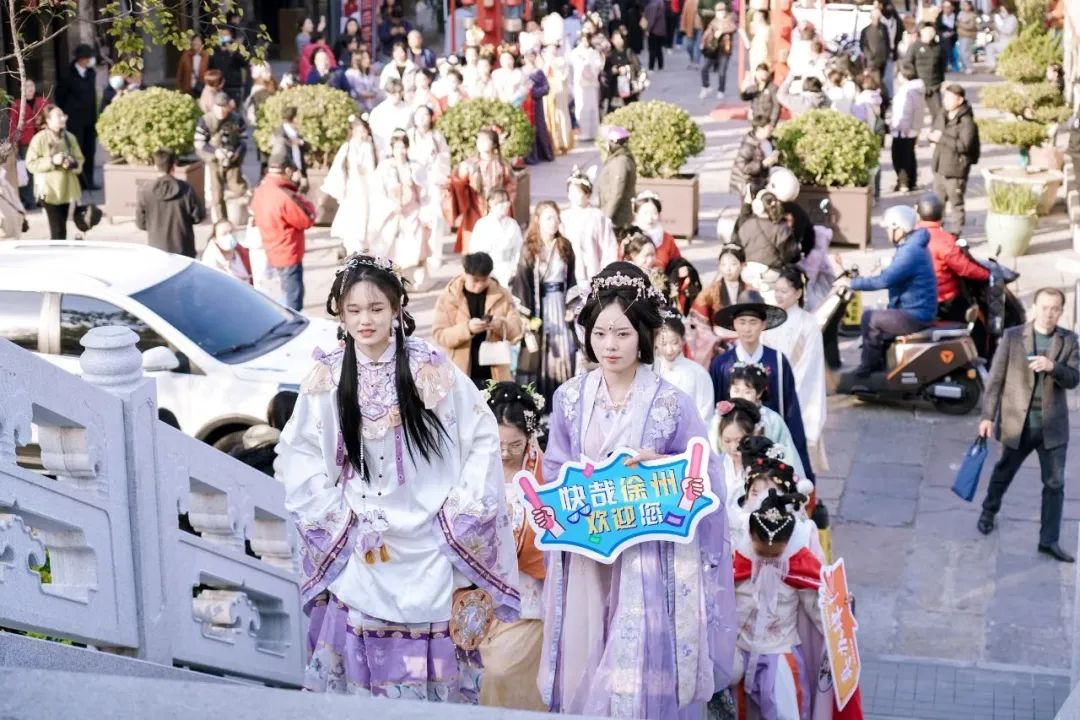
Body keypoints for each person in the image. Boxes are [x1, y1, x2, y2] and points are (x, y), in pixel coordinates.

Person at [275, 254, 520, 700]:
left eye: (376, 308)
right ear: (340, 313)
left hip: (431, 539)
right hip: (362, 543)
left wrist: (460, 516)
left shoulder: (430, 367)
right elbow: (299, 454)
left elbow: (482, 434)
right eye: (353, 310)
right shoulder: (328, 376)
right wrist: (338, 519)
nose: (365, 320)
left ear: (396, 308)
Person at [534, 261, 735, 716]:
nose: (610, 345)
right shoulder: (569, 398)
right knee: (586, 652)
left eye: (622, 334)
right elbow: (554, 467)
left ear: (643, 335)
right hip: (586, 547)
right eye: (601, 333)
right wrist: (577, 482)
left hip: (647, 554)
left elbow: (705, 476)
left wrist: (661, 468)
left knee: (637, 664)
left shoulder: (670, 402)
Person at [977, 288, 1080, 563]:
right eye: (1044, 307)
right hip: (1018, 423)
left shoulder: (1069, 340)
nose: (1049, 313)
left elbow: (1074, 379)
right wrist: (987, 416)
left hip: (1052, 427)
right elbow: (995, 380)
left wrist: (1052, 367)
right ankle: (988, 511)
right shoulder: (1013, 337)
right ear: (1035, 307)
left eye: (1055, 309)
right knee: (1003, 472)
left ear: (1061, 311)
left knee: (1055, 484)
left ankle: (1049, 540)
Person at [477, 382, 547, 711]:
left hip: (525, 594)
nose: (505, 453)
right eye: (498, 443)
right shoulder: (476, 466)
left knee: (505, 673)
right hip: (473, 591)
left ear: (530, 437)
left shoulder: (544, 474)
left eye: (515, 444)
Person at [730, 491, 826, 719]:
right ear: (749, 535)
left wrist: (836, 613)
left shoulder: (799, 566)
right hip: (738, 652)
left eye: (776, 553)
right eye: (761, 551)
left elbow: (816, 608)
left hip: (780, 652)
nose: (767, 559)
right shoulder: (736, 561)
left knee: (783, 713)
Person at [709, 290, 813, 483]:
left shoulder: (778, 361)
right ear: (734, 324)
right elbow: (715, 408)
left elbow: (790, 409)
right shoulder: (721, 364)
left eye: (753, 322)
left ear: (764, 324)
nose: (747, 329)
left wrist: (801, 469)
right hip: (731, 448)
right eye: (742, 322)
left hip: (771, 436)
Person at [839, 205, 936, 377]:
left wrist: (852, 283)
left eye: (889, 228)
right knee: (877, 313)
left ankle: (869, 369)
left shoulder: (910, 251)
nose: (887, 232)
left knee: (870, 318)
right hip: (914, 309)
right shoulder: (912, 245)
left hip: (915, 314)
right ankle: (882, 362)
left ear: (899, 228)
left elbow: (884, 281)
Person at [510, 201, 577, 406]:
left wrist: (571, 305)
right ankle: (538, 404)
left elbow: (572, 279)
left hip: (559, 302)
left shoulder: (564, 245)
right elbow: (522, 282)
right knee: (537, 353)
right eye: (549, 218)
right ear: (538, 220)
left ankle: (562, 401)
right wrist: (526, 316)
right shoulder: (529, 248)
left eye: (556, 218)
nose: (553, 222)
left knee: (564, 350)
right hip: (538, 305)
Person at [763, 266, 829, 471]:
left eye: (784, 291)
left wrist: (788, 388)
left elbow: (810, 365)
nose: (779, 295)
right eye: (777, 290)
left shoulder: (808, 323)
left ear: (798, 293)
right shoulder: (770, 319)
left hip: (797, 392)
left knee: (798, 448)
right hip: (768, 389)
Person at [433, 252, 524, 386]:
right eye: (475, 280)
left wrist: (499, 325)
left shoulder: (501, 294)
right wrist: (467, 329)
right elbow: (439, 335)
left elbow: (516, 331)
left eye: (484, 280)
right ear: (465, 273)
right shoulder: (449, 297)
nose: (480, 285)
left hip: (496, 375)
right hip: (461, 375)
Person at [249, 149, 315, 311]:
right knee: (293, 298)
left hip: (271, 246)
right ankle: (292, 324)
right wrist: (300, 194)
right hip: (288, 251)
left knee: (285, 292)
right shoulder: (285, 195)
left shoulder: (260, 190)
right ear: (287, 170)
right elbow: (307, 219)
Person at [725, 362, 808, 489]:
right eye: (736, 390)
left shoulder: (772, 420)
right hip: (729, 476)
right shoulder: (721, 418)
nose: (740, 396)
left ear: (759, 393)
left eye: (747, 392)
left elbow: (786, 452)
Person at [916, 191, 989, 323]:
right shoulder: (944, 240)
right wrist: (987, 274)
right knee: (979, 322)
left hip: (917, 300)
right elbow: (965, 268)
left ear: (918, 214)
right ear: (941, 216)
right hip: (944, 300)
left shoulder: (910, 236)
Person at [371, 130, 430, 287]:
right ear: (392, 149)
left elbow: (424, 191)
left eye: (403, 147)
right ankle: (390, 279)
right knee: (391, 247)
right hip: (392, 212)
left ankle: (410, 280)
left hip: (412, 211)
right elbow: (377, 191)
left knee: (413, 245)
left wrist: (424, 212)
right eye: (397, 148)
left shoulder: (415, 167)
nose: (400, 151)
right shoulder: (385, 167)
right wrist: (391, 206)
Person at [451, 128, 517, 253]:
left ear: (494, 144)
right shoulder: (469, 164)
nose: (480, 143)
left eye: (485, 140)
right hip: (476, 207)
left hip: (496, 207)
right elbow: (459, 184)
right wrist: (461, 175)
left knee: (498, 243)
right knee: (474, 242)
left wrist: (504, 201)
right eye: (479, 140)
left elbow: (511, 184)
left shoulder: (502, 164)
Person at [24, 105, 83, 240]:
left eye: (63, 116)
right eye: (58, 116)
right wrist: (52, 161)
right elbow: (30, 163)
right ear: (48, 120)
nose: (62, 119)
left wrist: (72, 164)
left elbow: (79, 159)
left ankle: (59, 249)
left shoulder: (69, 137)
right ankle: (57, 251)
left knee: (62, 229)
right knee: (57, 229)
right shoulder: (39, 138)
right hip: (48, 191)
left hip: (66, 189)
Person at [324, 115, 379, 255]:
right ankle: (352, 252)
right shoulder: (348, 147)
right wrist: (340, 190)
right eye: (358, 130)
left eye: (364, 130)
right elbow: (338, 169)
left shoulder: (372, 146)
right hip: (353, 189)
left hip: (370, 190)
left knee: (369, 225)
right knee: (352, 224)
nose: (361, 133)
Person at [135, 148, 205, 258]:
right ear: (173, 166)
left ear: (155, 166)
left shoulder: (145, 191)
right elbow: (198, 217)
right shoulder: (186, 189)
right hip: (184, 249)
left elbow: (141, 223)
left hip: (156, 249)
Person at [930, 83, 980, 233]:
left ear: (959, 100)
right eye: (945, 97)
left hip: (955, 170)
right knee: (937, 205)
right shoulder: (942, 115)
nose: (946, 101)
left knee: (956, 205)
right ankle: (937, 234)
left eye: (950, 98)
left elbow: (964, 146)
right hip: (939, 167)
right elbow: (935, 132)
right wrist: (932, 139)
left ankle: (955, 235)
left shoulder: (967, 122)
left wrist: (941, 139)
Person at [195, 92, 249, 222]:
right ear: (214, 107)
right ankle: (221, 220)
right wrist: (215, 152)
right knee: (217, 192)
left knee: (239, 187)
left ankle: (247, 213)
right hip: (214, 160)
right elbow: (199, 142)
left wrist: (236, 153)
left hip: (233, 159)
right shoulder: (206, 120)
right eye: (219, 107)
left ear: (229, 107)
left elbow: (244, 139)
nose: (221, 111)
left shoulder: (237, 119)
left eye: (224, 108)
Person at [689, 243, 746, 365]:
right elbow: (698, 322)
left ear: (743, 265)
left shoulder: (749, 290)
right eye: (723, 264)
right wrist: (714, 341)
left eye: (733, 264)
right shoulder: (710, 291)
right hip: (717, 344)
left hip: (744, 342)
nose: (728, 269)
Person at [561, 166, 617, 286]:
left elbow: (608, 246)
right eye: (571, 191)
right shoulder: (564, 217)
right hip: (570, 272)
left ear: (587, 194)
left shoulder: (598, 217)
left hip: (594, 269)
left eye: (578, 192)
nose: (574, 195)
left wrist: (607, 271)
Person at [654, 314, 715, 422]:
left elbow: (705, 412)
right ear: (655, 343)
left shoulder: (698, 373)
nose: (669, 350)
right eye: (664, 344)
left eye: (674, 343)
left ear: (683, 340)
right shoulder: (650, 371)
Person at [55, 44, 97, 190]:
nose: (89, 61)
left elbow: (92, 97)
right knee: (76, 150)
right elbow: (60, 96)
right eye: (87, 58)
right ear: (81, 59)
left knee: (89, 151)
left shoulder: (91, 73)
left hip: (89, 119)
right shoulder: (68, 74)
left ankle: (89, 181)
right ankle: (78, 182)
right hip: (74, 120)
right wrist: (67, 112)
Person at [468, 188, 523, 288]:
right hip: (489, 271)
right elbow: (475, 251)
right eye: (501, 202)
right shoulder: (482, 225)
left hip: (509, 269)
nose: (505, 205)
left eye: (507, 201)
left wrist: (515, 268)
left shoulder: (512, 224)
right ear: (491, 203)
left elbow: (519, 248)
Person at [8, 78, 48, 210]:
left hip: (42, 140)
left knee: (42, 170)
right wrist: (14, 143)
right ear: (21, 89)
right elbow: (13, 125)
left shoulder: (42, 101)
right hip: (25, 142)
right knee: (27, 171)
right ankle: (29, 199)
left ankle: (42, 197)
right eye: (26, 86)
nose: (29, 88)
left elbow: (49, 117)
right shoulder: (17, 104)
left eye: (31, 85)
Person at [736, 190, 799, 270]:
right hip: (773, 272)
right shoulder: (781, 228)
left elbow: (737, 244)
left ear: (757, 206)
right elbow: (792, 256)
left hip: (747, 270)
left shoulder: (745, 224)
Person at [890, 61, 926, 193]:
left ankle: (903, 182)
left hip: (903, 129)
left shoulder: (906, 90)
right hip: (913, 128)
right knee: (910, 155)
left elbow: (905, 111)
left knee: (900, 157)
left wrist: (899, 127)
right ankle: (911, 181)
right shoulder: (918, 88)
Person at [730, 118, 778, 209]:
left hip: (763, 181)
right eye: (768, 127)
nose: (772, 129)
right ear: (760, 129)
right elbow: (743, 167)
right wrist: (763, 164)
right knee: (751, 210)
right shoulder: (749, 144)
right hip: (750, 184)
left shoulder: (768, 140)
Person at [631, 190, 682, 271]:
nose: (650, 218)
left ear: (659, 214)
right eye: (645, 213)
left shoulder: (667, 239)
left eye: (654, 213)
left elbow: (677, 263)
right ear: (636, 214)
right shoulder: (629, 237)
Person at [597, 126, 637, 227]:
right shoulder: (621, 159)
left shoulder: (620, 162)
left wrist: (606, 217)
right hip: (618, 215)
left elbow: (617, 192)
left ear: (613, 143)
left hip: (618, 219)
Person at [906, 22, 944, 120]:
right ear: (922, 32)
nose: (930, 33)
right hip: (918, 85)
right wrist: (913, 79)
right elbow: (907, 64)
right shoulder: (915, 47)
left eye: (932, 31)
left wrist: (941, 81)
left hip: (934, 85)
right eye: (927, 31)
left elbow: (941, 66)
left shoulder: (937, 47)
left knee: (938, 113)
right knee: (915, 115)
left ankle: (937, 128)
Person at [542, 42, 574, 156]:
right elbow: (543, 74)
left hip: (560, 90)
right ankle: (553, 144)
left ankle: (564, 143)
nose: (552, 51)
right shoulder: (544, 61)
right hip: (548, 91)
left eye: (554, 48)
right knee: (550, 115)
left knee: (562, 115)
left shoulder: (562, 61)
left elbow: (564, 76)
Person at [569, 33, 603, 141]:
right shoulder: (575, 53)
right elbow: (571, 67)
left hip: (591, 84)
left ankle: (593, 132)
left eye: (587, 39)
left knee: (592, 106)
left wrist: (591, 67)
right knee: (580, 107)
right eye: (583, 39)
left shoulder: (593, 52)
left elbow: (599, 65)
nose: (585, 42)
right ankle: (581, 133)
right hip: (580, 85)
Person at [602, 27, 643, 112]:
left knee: (629, 110)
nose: (617, 41)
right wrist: (612, 71)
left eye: (619, 38)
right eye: (615, 39)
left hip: (628, 88)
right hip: (614, 90)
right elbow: (605, 72)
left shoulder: (629, 52)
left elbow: (638, 67)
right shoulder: (610, 55)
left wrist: (627, 69)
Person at [699, 5, 736, 99]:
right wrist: (703, 42)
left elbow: (733, 28)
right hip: (713, 49)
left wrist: (722, 31)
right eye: (718, 11)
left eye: (721, 10)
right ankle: (706, 86)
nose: (720, 13)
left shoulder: (729, 20)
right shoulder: (713, 21)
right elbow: (707, 32)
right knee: (704, 68)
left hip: (724, 49)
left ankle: (721, 90)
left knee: (722, 71)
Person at [200, 219, 253, 283]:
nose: (229, 236)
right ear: (215, 239)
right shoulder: (211, 260)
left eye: (231, 232)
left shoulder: (242, 251)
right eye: (224, 234)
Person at [272, 106, 309, 189]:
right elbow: (281, 154)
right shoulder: (280, 132)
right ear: (294, 118)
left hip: (298, 171)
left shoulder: (295, 132)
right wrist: (293, 169)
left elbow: (307, 147)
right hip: (288, 172)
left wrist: (301, 142)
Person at [860, 3, 892, 88]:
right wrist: (870, 57)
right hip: (872, 62)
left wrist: (887, 53)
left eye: (878, 18)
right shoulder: (866, 31)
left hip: (883, 60)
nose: (876, 20)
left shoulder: (883, 28)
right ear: (871, 18)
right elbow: (863, 46)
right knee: (874, 81)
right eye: (874, 18)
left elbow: (887, 41)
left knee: (881, 79)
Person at [985, 3, 1018, 70]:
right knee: (989, 47)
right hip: (1002, 42)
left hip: (1009, 43)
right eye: (1001, 11)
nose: (1001, 13)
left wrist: (998, 27)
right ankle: (993, 66)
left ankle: (993, 66)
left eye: (1003, 11)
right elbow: (1001, 33)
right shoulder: (1004, 20)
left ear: (1008, 10)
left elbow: (1008, 31)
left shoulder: (1012, 19)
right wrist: (994, 31)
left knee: (990, 47)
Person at [644, 0, 668, 70]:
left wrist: (647, 30)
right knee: (658, 49)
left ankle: (651, 66)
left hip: (654, 30)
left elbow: (651, 19)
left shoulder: (653, 5)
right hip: (660, 30)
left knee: (652, 49)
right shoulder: (660, 3)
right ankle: (660, 65)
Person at [935, 0, 958, 73]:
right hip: (943, 37)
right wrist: (942, 34)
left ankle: (947, 63)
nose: (946, 9)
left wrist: (952, 33)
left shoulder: (956, 16)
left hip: (954, 37)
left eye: (948, 7)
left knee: (946, 42)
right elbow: (937, 29)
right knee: (945, 42)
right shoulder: (939, 17)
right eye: (944, 7)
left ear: (952, 8)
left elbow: (958, 29)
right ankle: (949, 62)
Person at [956, 0, 978, 74]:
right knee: (960, 52)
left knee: (965, 52)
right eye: (963, 5)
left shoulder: (972, 15)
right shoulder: (960, 13)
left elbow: (971, 26)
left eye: (965, 5)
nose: (963, 6)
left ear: (970, 6)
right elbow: (957, 22)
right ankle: (964, 66)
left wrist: (960, 24)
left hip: (968, 36)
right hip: (961, 35)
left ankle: (969, 67)